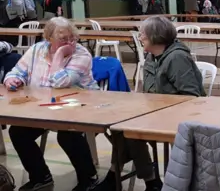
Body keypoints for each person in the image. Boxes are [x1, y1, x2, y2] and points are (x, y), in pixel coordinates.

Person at [94, 16, 205, 191]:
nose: (139, 38)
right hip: (157, 113)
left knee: (128, 133)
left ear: (155, 36)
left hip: (181, 116)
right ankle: (148, 181)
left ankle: (129, 178)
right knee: (122, 129)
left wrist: (161, 108)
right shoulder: (152, 56)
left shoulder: (176, 58)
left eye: (142, 34)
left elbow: (192, 96)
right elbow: (149, 93)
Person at [4, 17, 99, 191]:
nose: (69, 42)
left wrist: (60, 54)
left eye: (72, 38)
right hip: (42, 108)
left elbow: (61, 82)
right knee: (18, 132)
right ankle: (41, 177)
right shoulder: (36, 49)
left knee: (68, 133)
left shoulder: (80, 53)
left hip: (78, 107)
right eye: (63, 39)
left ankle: (89, 178)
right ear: (49, 38)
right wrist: (13, 80)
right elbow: (16, 71)